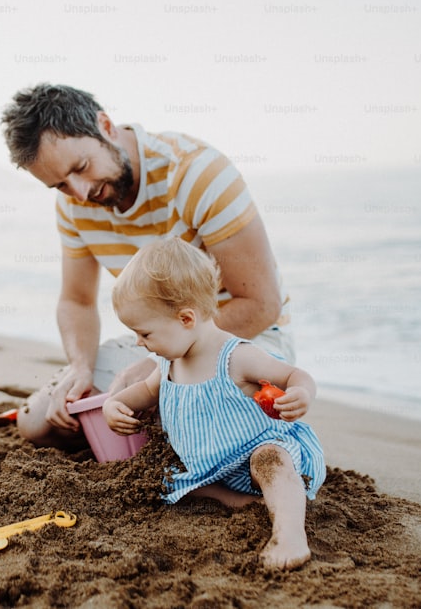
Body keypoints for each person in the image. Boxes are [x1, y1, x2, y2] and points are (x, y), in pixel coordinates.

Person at [0, 83, 293, 448]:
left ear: (105, 127)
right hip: (156, 343)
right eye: (60, 185)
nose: (80, 193)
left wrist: (161, 367)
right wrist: (81, 367)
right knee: (41, 421)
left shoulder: (196, 174)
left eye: (82, 167)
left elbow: (261, 305)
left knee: (183, 420)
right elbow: (77, 301)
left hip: (238, 339)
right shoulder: (75, 202)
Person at [101, 237, 325, 570]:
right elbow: (143, 394)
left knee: (270, 459)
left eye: (145, 334)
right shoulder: (168, 363)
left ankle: (290, 534)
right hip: (213, 470)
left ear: (186, 318)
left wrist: (301, 394)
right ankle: (250, 504)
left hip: (261, 456)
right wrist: (113, 405)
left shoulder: (237, 358)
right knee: (168, 482)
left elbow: (294, 375)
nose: (139, 343)